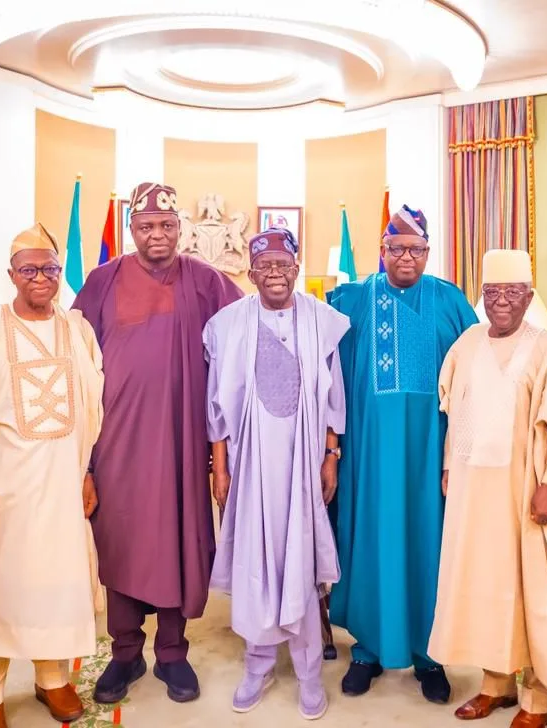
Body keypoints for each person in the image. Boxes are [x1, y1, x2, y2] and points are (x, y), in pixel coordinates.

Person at [72, 182, 242, 704]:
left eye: (167, 225)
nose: (158, 235)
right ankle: (125, 653)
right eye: (146, 226)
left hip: (182, 442)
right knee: (119, 541)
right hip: (115, 445)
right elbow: (75, 358)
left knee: (177, 541)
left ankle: (172, 653)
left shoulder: (206, 280)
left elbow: (245, 336)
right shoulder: (103, 281)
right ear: (132, 229)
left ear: (180, 228)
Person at [430, 250, 547, 728]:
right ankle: (495, 685)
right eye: (493, 292)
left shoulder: (545, 349)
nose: (502, 301)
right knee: (485, 588)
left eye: (513, 292)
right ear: (482, 295)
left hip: (523, 492)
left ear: (528, 296)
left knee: (530, 591)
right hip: (471, 495)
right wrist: (449, 467)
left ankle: (538, 700)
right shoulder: (467, 343)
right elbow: (453, 413)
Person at [329, 204, 478, 702]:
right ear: (383, 250)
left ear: (428, 252)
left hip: (431, 457)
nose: (406, 257)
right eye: (396, 248)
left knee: (429, 544)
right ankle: (367, 650)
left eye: (416, 249)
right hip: (369, 455)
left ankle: (430, 655)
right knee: (371, 540)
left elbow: (476, 375)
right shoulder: (352, 301)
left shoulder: (450, 300)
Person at [0, 223, 106, 727]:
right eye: (29, 269)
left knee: (58, 587)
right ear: (11, 274)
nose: (40, 278)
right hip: (2, 491)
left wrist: (87, 472)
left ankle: (52, 679)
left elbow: (92, 412)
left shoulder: (78, 330)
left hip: (63, 487)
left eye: (49, 269)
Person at [205, 227, 349, 720]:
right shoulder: (228, 324)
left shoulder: (322, 321)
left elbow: (334, 398)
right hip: (251, 466)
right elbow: (216, 405)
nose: (274, 274)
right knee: (257, 560)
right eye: (264, 266)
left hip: (304, 463)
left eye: (283, 265)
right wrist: (220, 467)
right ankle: (258, 665)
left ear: (296, 269)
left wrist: (330, 455)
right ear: (251, 273)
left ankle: (309, 673)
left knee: (300, 561)